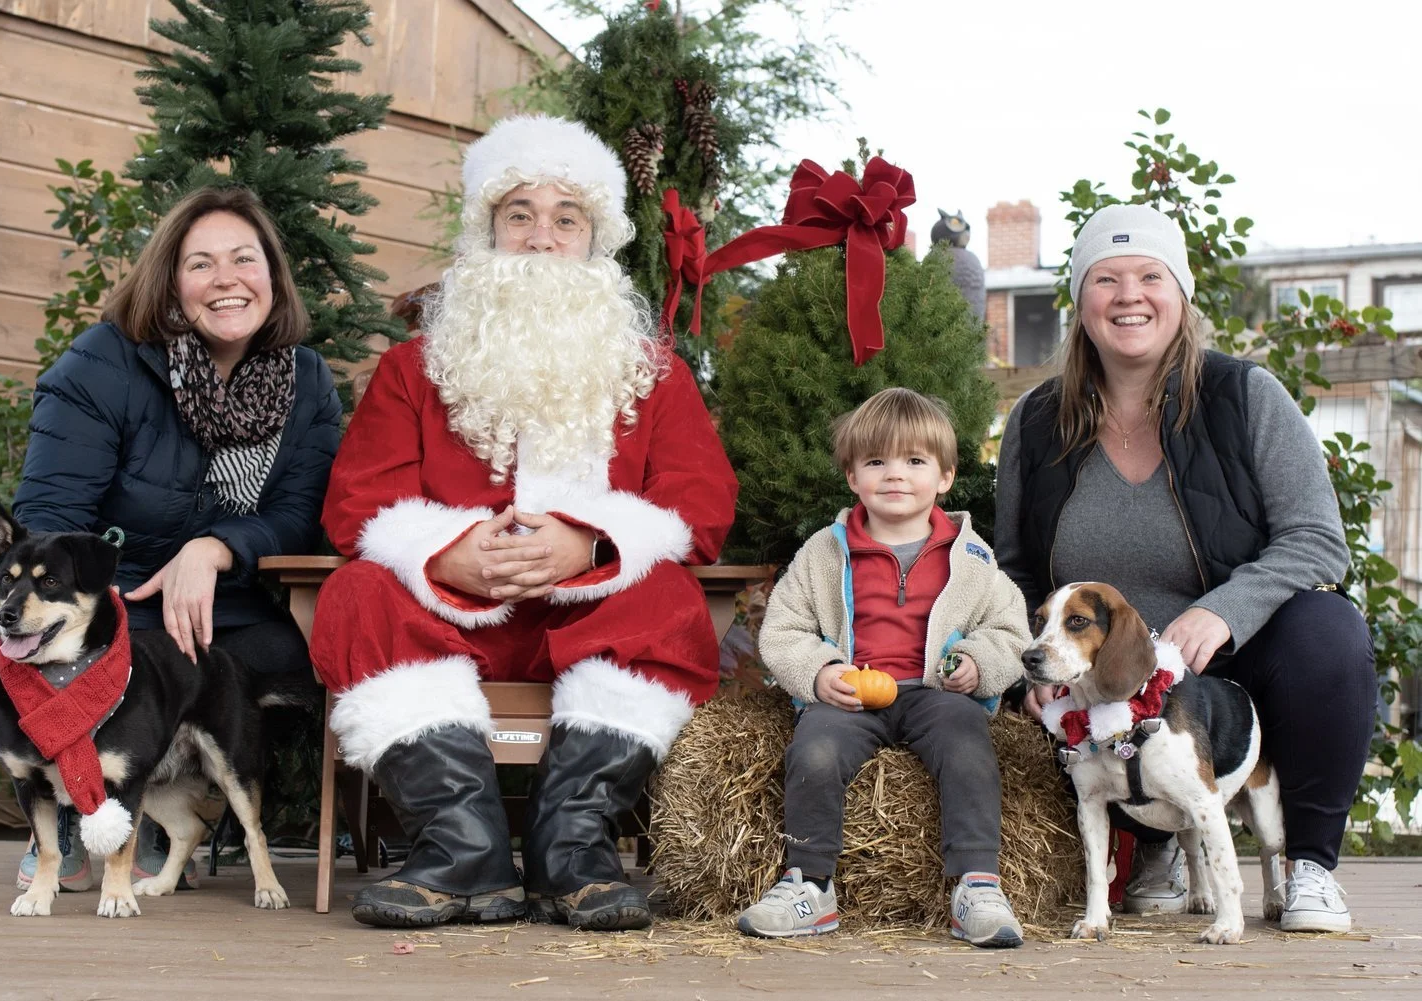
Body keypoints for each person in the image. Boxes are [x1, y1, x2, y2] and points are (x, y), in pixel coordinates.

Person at [309, 115, 739, 932]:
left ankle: (570, 852)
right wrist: (448, 553)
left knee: (672, 600)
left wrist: (590, 541)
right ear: (488, 231)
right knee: (357, 593)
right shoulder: (413, 367)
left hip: (592, 619)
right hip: (451, 622)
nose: (542, 238)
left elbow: (701, 502)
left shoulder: (654, 374)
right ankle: (460, 849)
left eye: (566, 218)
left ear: (593, 241)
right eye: (520, 214)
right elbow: (358, 503)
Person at [995, 203, 1374, 934]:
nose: (1129, 295)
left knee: (1329, 631)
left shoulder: (1246, 397)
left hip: (1231, 659)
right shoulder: (1037, 420)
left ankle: (1310, 867)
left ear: (1181, 294)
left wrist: (1224, 607)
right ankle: (1157, 848)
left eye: (1149, 275)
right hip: (1097, 671)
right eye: (1106, 278)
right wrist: (1028, 677)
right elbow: (1010, 569)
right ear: (1081, 301)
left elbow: (1319, 539)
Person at [0, 185, 341, 896]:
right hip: (101, 591)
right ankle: (79, 804)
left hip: (219, 599)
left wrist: (215, 547)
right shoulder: (105, 364)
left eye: (244, 259)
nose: (227, 279)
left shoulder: (306, 381)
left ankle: (170, 808)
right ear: (170, 281)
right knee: (100, 653)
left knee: (294, 652)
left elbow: (297, 512)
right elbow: (47, 516)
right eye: (201, 264)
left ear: (272, 275)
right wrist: (104, 595)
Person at [741, 388, 1029, 945]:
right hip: (850, 693)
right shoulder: (823, 554)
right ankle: (808, 884)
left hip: (935, 693)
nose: (895, 475)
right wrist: (821, 673)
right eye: (877, 462)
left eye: (915, 462)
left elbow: (1009, 629)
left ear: (945, 477)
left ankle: (978, 884)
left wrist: (976, 663)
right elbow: (783, 629)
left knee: (968, 743)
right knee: (814, 750)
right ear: (853, 477)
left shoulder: (971, 558)